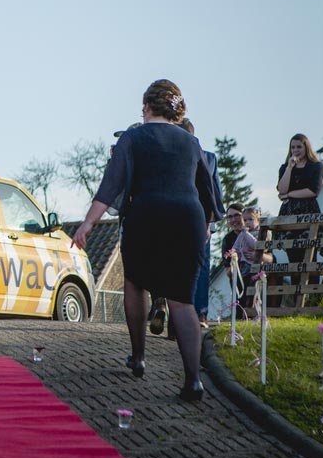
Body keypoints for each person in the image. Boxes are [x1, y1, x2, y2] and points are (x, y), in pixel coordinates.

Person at [71, 79, 220, 402]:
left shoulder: (133, 137)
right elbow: (207, 190)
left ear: (147, 107)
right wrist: (206, 225)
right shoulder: (192, 143)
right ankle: (193, 380)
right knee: (182, 298)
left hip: (147, 213)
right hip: (188, 217)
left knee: (135, 282)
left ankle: (138, 357)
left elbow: (112, 183)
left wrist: (88, 223)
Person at [180, 118, 224, 330]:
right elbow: (216, 194)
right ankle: (199, 313)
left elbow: (213, 193)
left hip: (191, 218)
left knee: (186, 266)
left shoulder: (181, 157)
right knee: (201, 267)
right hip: (201, 218)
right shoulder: (210, 157)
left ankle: (187, 314)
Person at [276, 133, 323, 268]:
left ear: (306, 147)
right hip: (289, 214)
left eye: (299, 147)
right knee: (293, 258)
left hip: (308, 212)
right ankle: (297, 288)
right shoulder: (285, 167)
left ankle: (312, 287)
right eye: (292, 147)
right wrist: (289, 168)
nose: (295, 150)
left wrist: (289, 195)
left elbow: (313, 191)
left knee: (310, 256)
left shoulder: (316, 166)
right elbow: (281, 189)